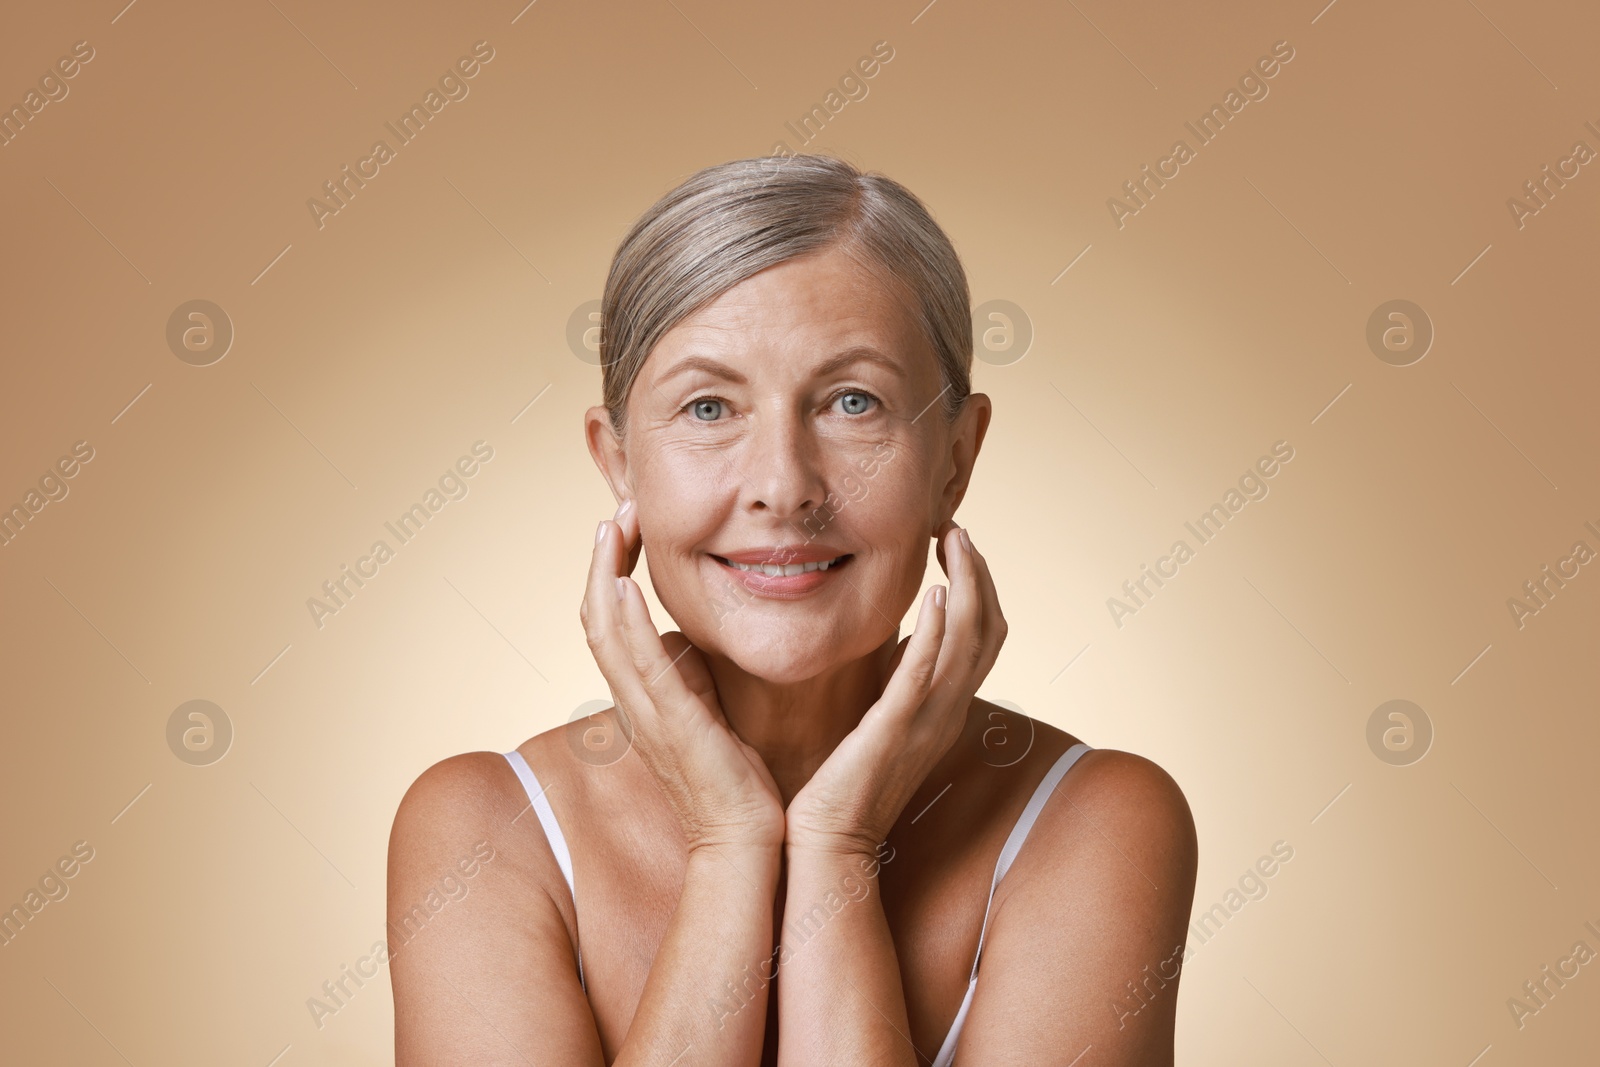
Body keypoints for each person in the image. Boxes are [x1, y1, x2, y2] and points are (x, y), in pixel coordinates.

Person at [387, 153, 1198, 1066]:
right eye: (707, 407)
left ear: (955, 461)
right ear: (618, 464)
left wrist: (837, 846)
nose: (782, 484)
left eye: (854, 402)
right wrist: (730, 844)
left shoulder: (1095, 821)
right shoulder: (480, 831)